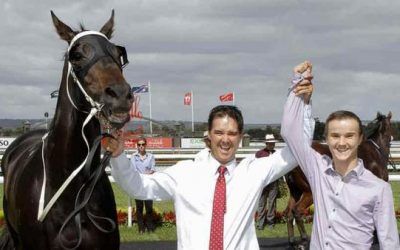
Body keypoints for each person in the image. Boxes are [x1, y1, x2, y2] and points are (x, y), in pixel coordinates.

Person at [105, 83, 314, 250]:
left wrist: (302, 104)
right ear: (209, 135)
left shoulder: (253, 172)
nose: (225, 139)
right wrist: (118, 155)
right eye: (219, 132)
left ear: (240, 137)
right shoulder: (184, 172)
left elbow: (298, 150)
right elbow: (137, 187)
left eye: (232, 133)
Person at [281, 61, 400, 249]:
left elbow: (390, 243)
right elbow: (289, 132)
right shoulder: (317, 170)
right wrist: (299, 87)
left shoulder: (379, 189)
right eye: (335, 135)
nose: (342, 142)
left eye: (349, 136)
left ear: (361, 138)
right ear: (326, 138)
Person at [130, 137, 156, 233]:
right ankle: (141, 228)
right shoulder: (133, 157)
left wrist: (145, 174)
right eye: (139, 145)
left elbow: (152, 169)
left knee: (149, 207)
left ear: (146, 145)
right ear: (137, 146)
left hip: (148, 185)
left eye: (143, 144)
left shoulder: (151, 156)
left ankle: (150, 227)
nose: (141, 146)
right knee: (139, 207)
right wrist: (145, 174)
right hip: (138, 185)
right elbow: (133, 170)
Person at [255, 134, 279, 230]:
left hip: (273, 181)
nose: (271, 144)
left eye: (272, 143)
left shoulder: (277, 154)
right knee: (261, 203)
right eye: (270, 143)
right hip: (263, 181)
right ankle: (260, 223)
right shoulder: (259, 154)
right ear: (266, 143)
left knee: (272, 202)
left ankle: (270, 222)